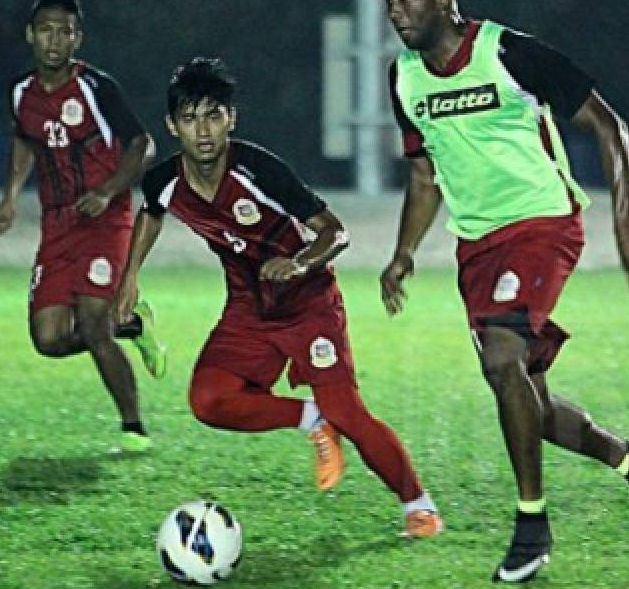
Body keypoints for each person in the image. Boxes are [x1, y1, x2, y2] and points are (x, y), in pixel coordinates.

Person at [380, 0, 629, 583]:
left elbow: (609, 125)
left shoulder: (506, 53)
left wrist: (626, 227)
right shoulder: (404, 79)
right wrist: (404, 253)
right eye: (389, 1)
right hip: (476, 247)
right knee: (530, 408)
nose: (395, 10)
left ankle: (532, 525)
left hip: (542, 225)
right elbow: (424, 173)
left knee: (500, 358)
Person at [115, 57, 443, 539]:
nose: (202, 131)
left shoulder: (260, 171)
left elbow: (336, 232)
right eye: (189, 118)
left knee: (348, 411)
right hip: (249, 308)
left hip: (309, 305)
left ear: (232, 118)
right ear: (171, 125)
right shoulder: (163, 180)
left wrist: (301, 262)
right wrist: (129, 280)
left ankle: (419, 506)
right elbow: (151, 213)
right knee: (208, 400)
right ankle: (311, 419)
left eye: (213, 115)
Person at [0, 0, 166, 453]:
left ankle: (133, 430)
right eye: (46, 30)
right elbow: (25, 140)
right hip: (57, 225)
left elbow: (144, 145)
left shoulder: (96, 88)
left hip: (106, 219)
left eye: (64, 32)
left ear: (77, 38)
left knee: (90, 322)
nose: (54, 40)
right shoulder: (20, 92)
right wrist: (9, 197)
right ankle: (130, 327)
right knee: (47, 339)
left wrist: (108, 191)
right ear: (31, 35)